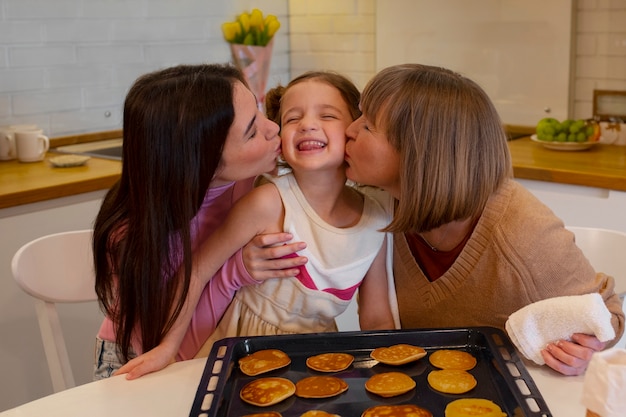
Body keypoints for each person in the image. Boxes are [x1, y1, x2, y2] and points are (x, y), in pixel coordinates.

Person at [343, 63, 625, 376]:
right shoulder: (379, 205)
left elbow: (608, 316)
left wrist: (585, 350)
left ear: (420, 152)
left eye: (367, 126)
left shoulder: (524, 233)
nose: (349, 130)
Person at [92, 63, 307, 380]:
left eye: (259, 112)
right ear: (200, 159)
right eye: (251, 131)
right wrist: (236, 270)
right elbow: (179, 350)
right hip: (141, 361)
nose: (272, 128)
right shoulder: (133, 236)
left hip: (219, 347)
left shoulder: (247, 177)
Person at [189, 70, 397, 356]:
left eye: (327, 116)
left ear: (353, 132)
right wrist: (168, 350)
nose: (307, 125)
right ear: (281, 142)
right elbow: (197, 272)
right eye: (292, 118)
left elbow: (376, 320)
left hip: (320, 358)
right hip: (244, 353)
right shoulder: (267, 202)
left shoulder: (376, 220)